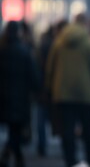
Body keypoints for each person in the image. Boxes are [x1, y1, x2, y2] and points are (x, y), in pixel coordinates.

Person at [45, 13, 90, 167]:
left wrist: (49, 88)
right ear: (86, 24)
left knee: (67, 131)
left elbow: (50, 68)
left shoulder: (59, 42)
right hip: (87, 94)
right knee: (88, 130)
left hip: (63, 93)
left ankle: (70, 160)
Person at [0, 21, 41, 167]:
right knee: (16, 130)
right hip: (21, 98)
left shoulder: (2, 51)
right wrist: (37, 91)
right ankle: (13, 156)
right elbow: (33, 76)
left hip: (5, 98)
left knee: (13, 130)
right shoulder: (24, 52)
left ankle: (13, 156)